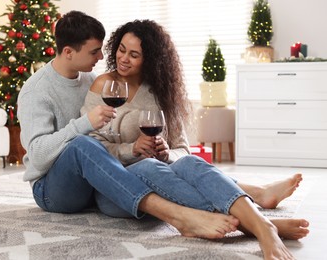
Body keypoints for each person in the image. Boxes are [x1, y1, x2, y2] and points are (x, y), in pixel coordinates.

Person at [82, 19, 309, 259]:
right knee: (148, 166)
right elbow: (90, 149)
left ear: (150, 60)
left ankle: (261, 224)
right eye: (121, 49)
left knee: (188, 164)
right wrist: (131, 149)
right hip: (118, 190)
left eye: (134, 55)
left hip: (165, 178)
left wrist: (166, 152)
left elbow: (183, 150)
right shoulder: (103, 85)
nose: (124, 58)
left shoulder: (160, 92)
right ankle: (254, 221)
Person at [17, 10, 246, 241]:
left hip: (95, 186)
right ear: (68, 52)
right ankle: (179, 216)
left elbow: (173, 148)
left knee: (158, 167)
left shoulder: (89, 78)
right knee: (81, 145)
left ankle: (241, 214)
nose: (101, 58)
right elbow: (37, 155)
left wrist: (153, 152)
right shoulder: (37, 91)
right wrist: (84, 124)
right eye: (95, 52)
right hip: (53, 190)